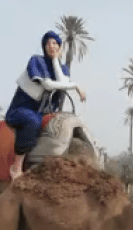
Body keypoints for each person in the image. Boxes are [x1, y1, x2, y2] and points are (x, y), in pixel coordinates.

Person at [6, 31, 86, 179]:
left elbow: (62, 83)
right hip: (22, 109)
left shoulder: (62, 69)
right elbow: (48, 85)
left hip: (42, 111)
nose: (51, 46)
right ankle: (16, 167)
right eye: (48, 43)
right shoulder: (36, 61)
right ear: (43, 47)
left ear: (60, 47)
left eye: (55, 43)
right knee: (32, 122)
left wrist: (56, 60)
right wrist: (76, 86)